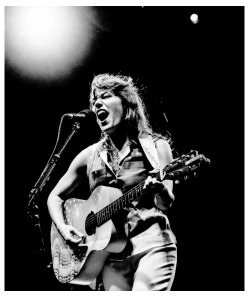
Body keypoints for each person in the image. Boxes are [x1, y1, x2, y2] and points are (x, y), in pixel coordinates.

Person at [47, 73, 177, 291]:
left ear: (126, 104)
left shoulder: (156, 147)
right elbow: (54, 196)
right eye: (94, 100)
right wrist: (63, 227)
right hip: (109, 256)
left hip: (152, 245)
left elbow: (165, 204)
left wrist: (160, 189)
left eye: (105, 96)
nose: (97, 103)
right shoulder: (88, 156)